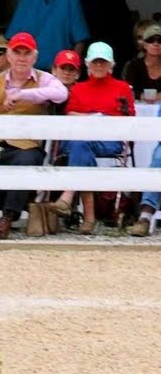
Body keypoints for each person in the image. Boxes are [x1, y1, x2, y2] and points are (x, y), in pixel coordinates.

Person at [0, 32, 68, 238]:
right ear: (9, 56)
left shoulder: (44, 79)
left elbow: (61, 94)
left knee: (26, 160)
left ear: (34, 58)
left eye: (27, 53)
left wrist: (24, 94)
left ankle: (7, 217)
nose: (21, 58)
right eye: (17, 52)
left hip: (26, 145)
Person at [48, 41, 132, 231]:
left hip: (109, 142)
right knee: (82, 146)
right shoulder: (79, 88)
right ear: (88, 64)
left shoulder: (122, 87)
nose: (99, 66)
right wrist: (96, 117)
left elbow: (129, 118)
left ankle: (70, 197)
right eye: (95, 62)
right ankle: (88, 217)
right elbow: (70, 114)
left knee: (80, 145)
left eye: (103, 62)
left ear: (112, 65)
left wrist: (92, 119)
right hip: (80, 141)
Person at [7, 0, 90, 58]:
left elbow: (80, 40)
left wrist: (71, 66)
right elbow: (12, 39)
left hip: (59, 70)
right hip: (29, 69)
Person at [122, 21, 161, 101]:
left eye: (160, 40)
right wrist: (153, 97)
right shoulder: (134, 65)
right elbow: (128, 91)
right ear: (144, 44)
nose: (156, 44)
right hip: (140, 109)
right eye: (151, 40)